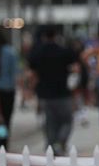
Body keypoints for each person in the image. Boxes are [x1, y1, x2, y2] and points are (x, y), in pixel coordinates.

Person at [28, 27, 79, 155]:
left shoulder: (37, 53)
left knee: (50, 121)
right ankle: (60, 142)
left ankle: (50, 145)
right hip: (62, 92)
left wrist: (30, 90)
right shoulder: (64, 51)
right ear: (56, 36)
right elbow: (75, 65)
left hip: (44, 94)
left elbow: (32, 73)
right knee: (67, 120)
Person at [0, 27, 19, 148]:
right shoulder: (10, 51)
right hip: (7, 90)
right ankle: (2, 141)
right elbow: (15, 72)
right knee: (4, 119)